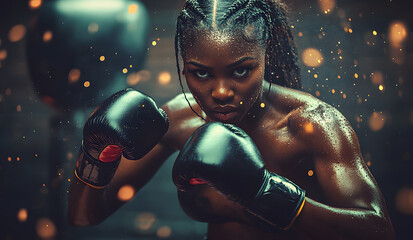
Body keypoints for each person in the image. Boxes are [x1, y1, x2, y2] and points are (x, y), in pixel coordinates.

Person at [68, 0, 395, 239]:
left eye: (240, 70)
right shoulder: (179, 120)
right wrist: (97, 155)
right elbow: (84, 216)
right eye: (201, 73)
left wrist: (263, 192)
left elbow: (379, 230)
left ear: (265, 54)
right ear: (184, 67)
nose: (221, 91)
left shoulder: (311, 125)